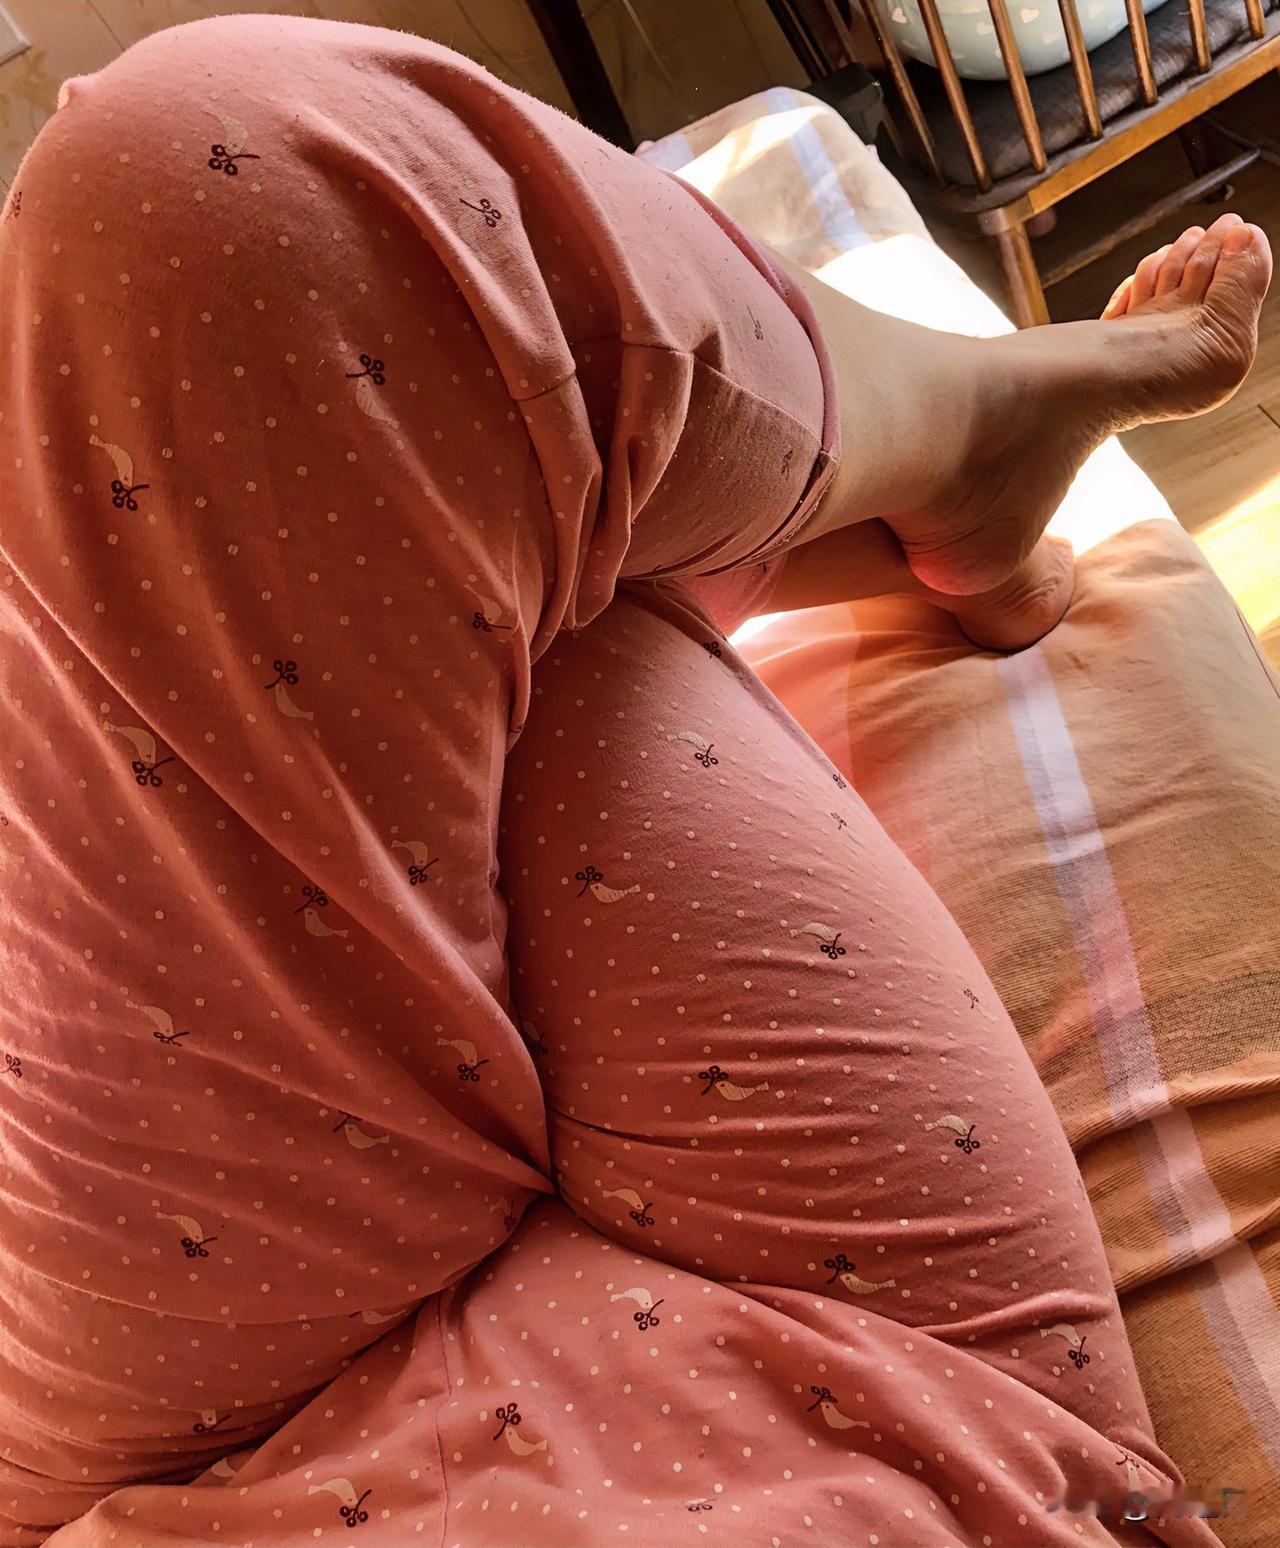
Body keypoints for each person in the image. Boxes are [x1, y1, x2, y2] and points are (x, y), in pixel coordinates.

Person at [0, 13, 1269, 1545]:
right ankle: (942, 465)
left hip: (131, 1416)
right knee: (356, 406)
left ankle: (939, 454)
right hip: (844, 1423)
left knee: (214, 202)